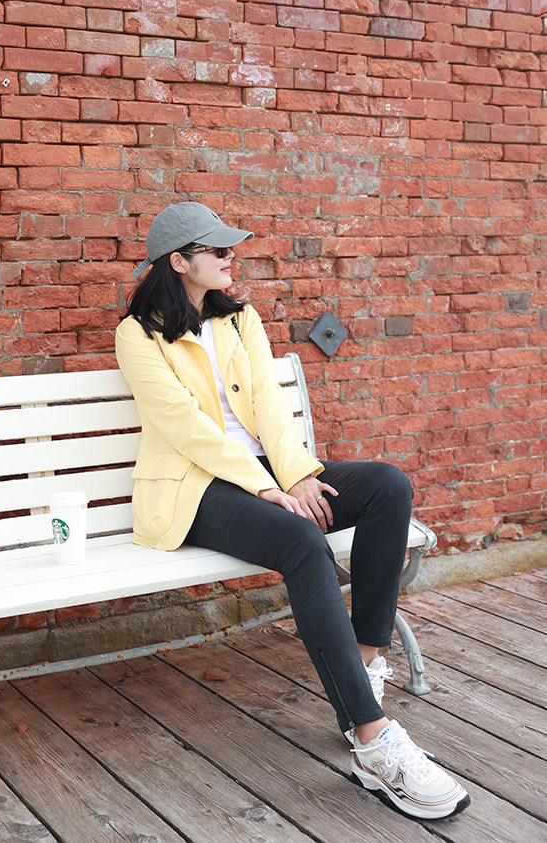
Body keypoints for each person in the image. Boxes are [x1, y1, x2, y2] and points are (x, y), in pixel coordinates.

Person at [115, 201, 470, 822]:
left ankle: (363, 662)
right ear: (179, 262)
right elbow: (185, 427)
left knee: (387, 486)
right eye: (218, 250)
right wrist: (265, 489)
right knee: (302, 540)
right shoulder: (137, 335)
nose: (231, 257)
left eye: (230, 248)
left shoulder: (240, 317)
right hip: (194, 489)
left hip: (269, 475)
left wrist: (299, 474)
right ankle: (373, 743)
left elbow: (270, 405)